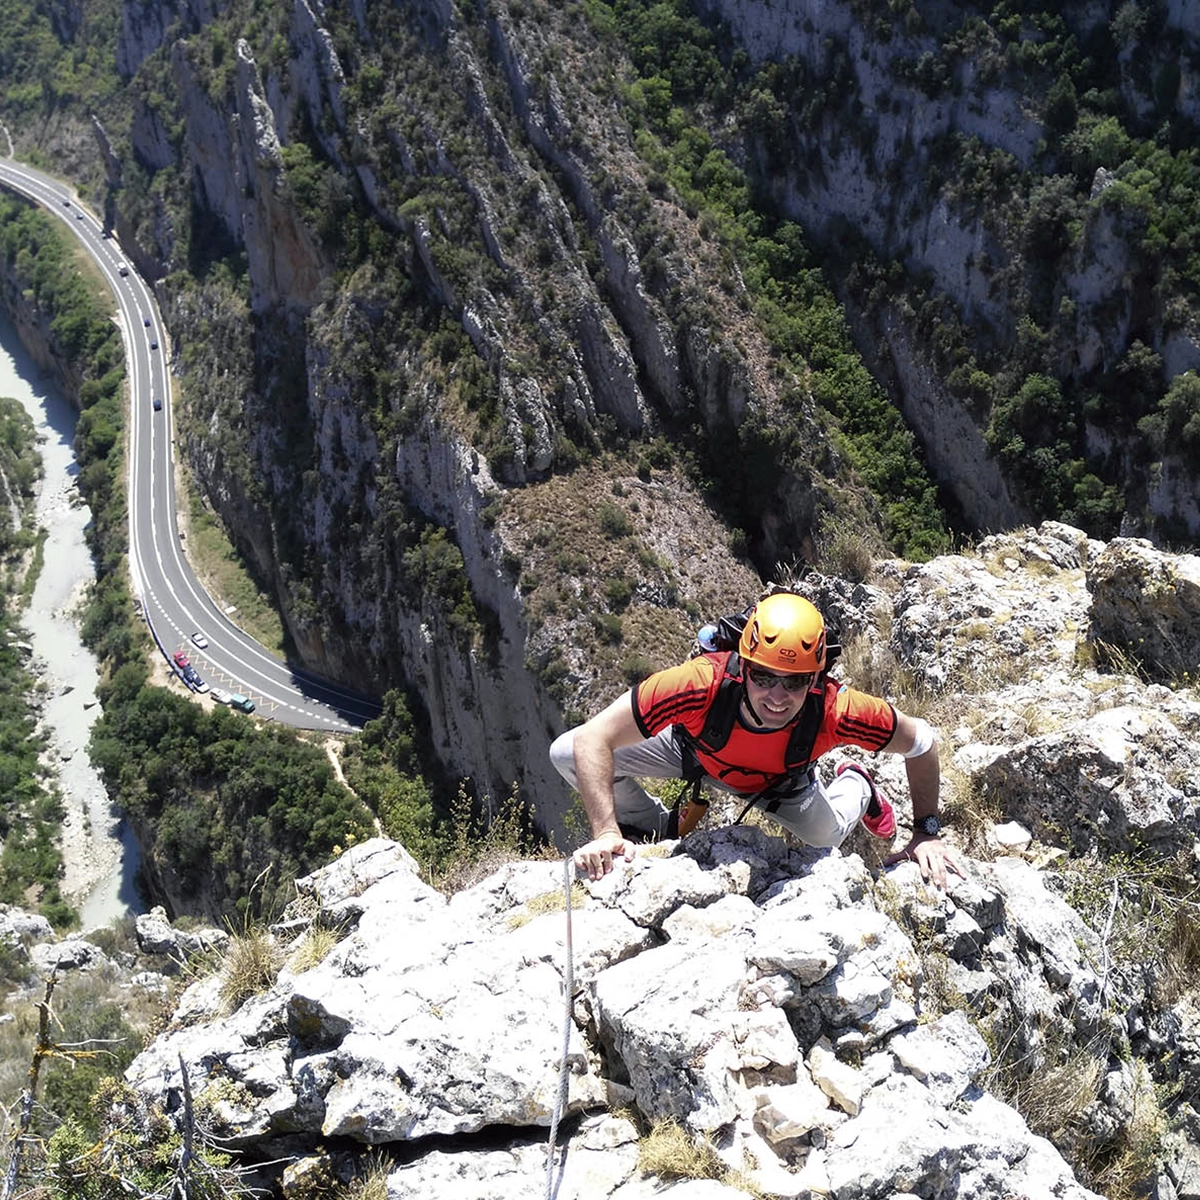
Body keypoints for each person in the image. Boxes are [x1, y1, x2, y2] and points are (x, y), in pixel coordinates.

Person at [550, 590, 964, 888]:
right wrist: (605, 832)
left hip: (778, 781)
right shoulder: (700, 684)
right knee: (565, 752)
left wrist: (927, 831)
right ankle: (655, 827)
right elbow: (592, 739)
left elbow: (921, 741)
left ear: (816, 679)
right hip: (691, 752)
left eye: (796, 682)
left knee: (826, 838)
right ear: (743, 665)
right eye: (764, 677)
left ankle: (857, 784)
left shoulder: (836, 711)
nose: (778, 697)